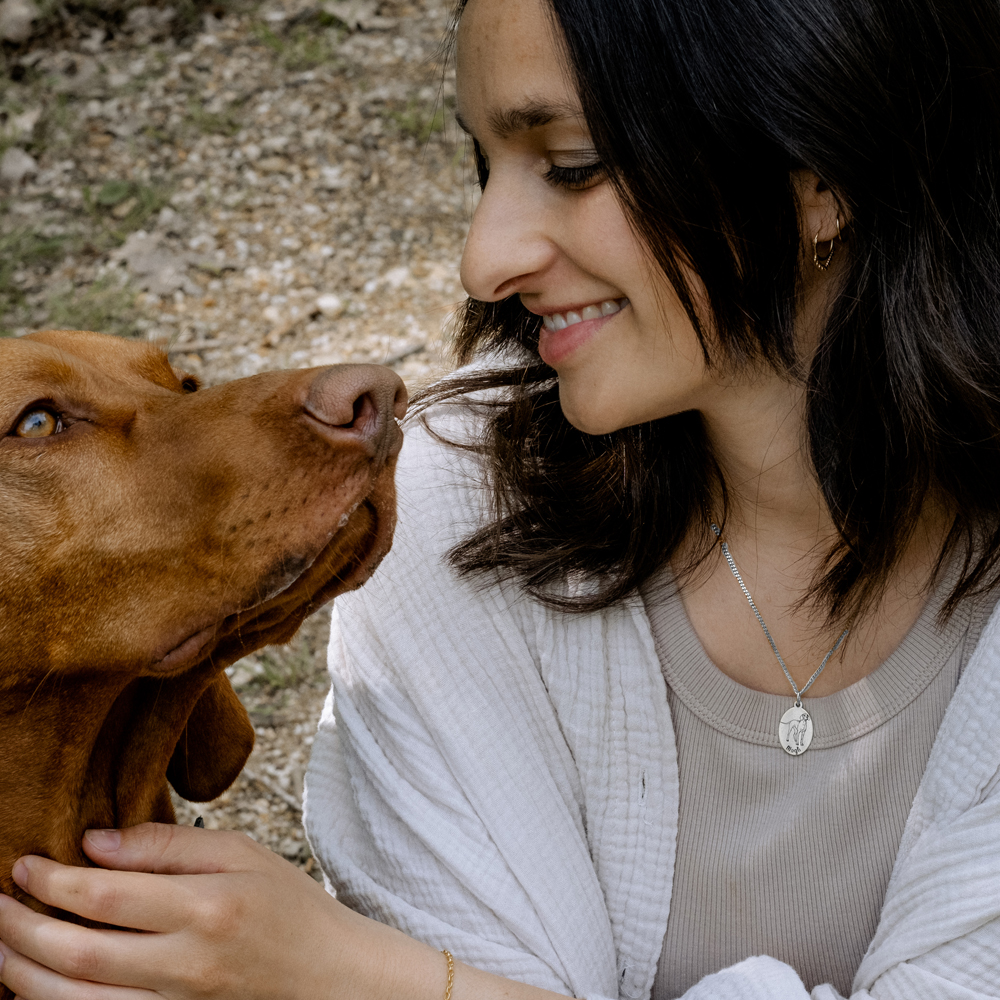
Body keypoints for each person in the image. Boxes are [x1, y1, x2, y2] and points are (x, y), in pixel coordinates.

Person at [2, 0, 1000, 996]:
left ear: (821, 173)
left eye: (572, 165)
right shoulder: (455, 516)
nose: (484, 261)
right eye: (488, 167)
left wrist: (358, 978)